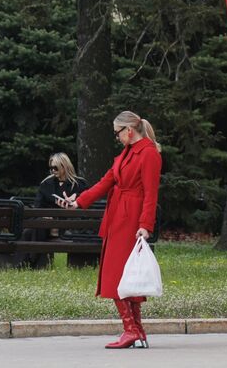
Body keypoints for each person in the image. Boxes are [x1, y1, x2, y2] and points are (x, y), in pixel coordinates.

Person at [66, 111, 162, 349]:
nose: (117, 137)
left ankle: (131, 330)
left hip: (131, 221)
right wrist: (78, 201)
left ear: (129, 130)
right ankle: (136, 332)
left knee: (118, 275)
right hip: (118, 218)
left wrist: (145, 226)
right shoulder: (126, 154)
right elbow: (107, 181)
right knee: (125, 276)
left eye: (118, 132)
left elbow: (151, 193)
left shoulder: (149, 153)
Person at [21, 152, 90, 269]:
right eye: (51, 168)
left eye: (56, 167)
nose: (53, 170)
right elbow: (38, 206)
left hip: (70, 223)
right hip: (47, 223)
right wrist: (45, 216)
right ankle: (30, 264)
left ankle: (30, 262)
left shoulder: (79, 184)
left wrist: (75, 200)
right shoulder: (46, 184)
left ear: (64, 166)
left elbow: (87, 203)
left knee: (33, 230)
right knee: (32, 229)